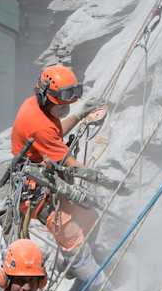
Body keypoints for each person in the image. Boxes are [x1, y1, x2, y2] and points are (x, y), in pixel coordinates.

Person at [11, 63, 108, 259]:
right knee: (72, 238)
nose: (66, 108)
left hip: (46, 180)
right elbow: (70, 163)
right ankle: (91, 279)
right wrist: (106, 181)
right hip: (36, 191)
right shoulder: (38, 124)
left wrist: (79, 115)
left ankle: (89, 260)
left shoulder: (39, 107)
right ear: (46, 97)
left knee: (89, 219)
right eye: (61, 105)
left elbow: (55, 133)